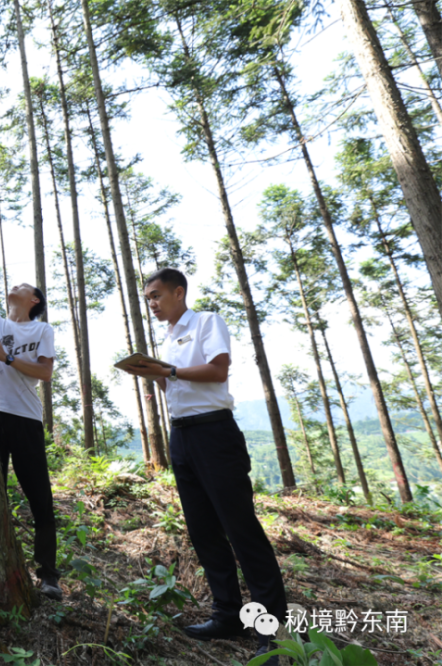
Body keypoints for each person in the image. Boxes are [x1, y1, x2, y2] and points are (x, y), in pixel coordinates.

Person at [124, 267, 286, 666]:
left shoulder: (206, 322)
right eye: (148, 298)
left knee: (240, 528)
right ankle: (227, 616)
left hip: (215, 434)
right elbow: (177, 383)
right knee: (203, 530)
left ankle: (273, 631)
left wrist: (169, 371)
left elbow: (218, 371)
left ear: (179, 292)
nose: (153, 303)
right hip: (181, 436)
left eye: (157, 295)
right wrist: (156, 375)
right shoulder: (168, 336)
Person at [0, 227, 63, 601]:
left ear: (34, 299)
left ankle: (48, 574)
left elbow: (44, 372)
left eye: (23, 285)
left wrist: (7, 358)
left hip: (25, 419)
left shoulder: (42, 328)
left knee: (38, 495)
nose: (15, 287)